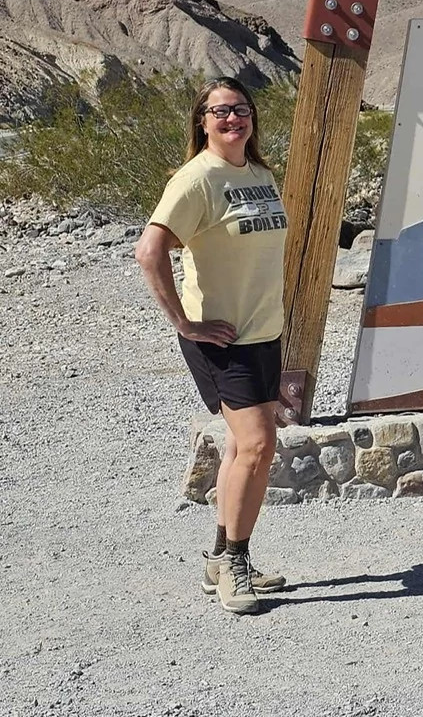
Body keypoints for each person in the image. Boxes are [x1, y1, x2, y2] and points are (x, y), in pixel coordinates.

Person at [135, 76, 291, 615]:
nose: (233, 119)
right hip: (224, 338)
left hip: (264, 331)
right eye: (220, 112)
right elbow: (149, 250)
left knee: (238, 447)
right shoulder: (196, 179)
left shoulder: (259, 173)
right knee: (256, 446)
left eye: (241, 109)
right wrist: (183, 322)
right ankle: (235, 564)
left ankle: (221, 555)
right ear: (202, 121)